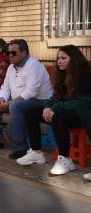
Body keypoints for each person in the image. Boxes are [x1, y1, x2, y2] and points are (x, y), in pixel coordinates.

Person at [16, 45, 91, 177]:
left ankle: (65, 159)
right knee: (31, 112)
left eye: (64, 58)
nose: (59, 61)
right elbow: (54, 97)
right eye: (58, 58)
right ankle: (36, 152)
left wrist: (54, 109)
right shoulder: (63, 75)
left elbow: (82, 103)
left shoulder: (85, 76)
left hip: (83, 115)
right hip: (65, 112)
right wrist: (47, 107)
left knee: (58, 117)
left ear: (74, 59)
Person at [0, 39, 53, 159]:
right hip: (20, 99)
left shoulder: (33, 65)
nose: (9, 55)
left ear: (24, 52)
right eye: (8, 53)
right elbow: (5, 87)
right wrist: (1, 98)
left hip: (41, 101)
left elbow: (31, 92)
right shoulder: (11, 67)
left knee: (15, 106)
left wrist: (9, 103)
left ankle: (20, 148)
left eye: (13, 53)